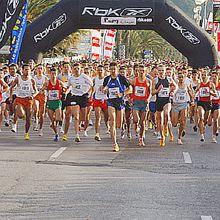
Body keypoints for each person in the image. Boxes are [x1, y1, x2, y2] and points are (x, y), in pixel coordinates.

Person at [102, 62, 132, 152]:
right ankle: (115, 144)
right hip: (111, 101)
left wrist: (122, 94)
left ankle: (123, 125)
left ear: (117, 69)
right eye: (111, 69)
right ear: (109, 70)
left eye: (114, 69)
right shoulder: (107, 79)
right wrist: (104, 90)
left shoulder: (122, 78)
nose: (113, 71)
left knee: (119, 124)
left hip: (120, 102)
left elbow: (130, 89)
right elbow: (104, 87)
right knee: (112, 122)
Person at [62, 63, 93, 142]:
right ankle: (77, 135)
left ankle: (81, 124)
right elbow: (68, 86)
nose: (76, 70)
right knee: (76, 116)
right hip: (75, 97)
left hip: (83, 97)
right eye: (75, 69)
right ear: (72, 69)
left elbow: (92, 86)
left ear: (80, 69)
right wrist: (65, 91)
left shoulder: (84, 77)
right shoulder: (71, 78)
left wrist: (89, 94)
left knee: (84, 116)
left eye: (78, 68)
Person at [10, 64, 38, 140]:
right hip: (20, 99)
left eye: (28, 70)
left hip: (28, 100)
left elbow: (36, 91)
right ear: (22, 70)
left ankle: (26, 133)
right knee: (20, 114)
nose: (27, 71)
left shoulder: (32, 80)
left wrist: (33, 96)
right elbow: (11, 87)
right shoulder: (18, 78)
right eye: (25, 69)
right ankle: (16, 122)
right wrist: (10, 96)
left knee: (28, 119)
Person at [152, 65, 176, 147]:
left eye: (163, 70)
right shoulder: (155, 80)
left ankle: (168, 131)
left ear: (165, 71)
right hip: (159, 101)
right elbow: (152, 92)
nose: (161, 72)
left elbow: (175, 87)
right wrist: (158, 90)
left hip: (167, 100)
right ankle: (162, 137)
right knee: (160, 120)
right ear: (157, 71)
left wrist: (172, 91)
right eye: (160, 70)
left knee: (166, 114)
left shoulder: (169, 79)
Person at [42, 67, 64, 141]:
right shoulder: (47, 82)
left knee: (58, 118)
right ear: (49, 74)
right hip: (50, 103)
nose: (53, 75)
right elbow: (42, 89)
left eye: (55, 74)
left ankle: (55, 123)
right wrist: (43, 90)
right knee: (52, 121)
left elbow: (65, 88)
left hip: (57, 102)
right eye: (52, 74)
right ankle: (56, 134)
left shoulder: (59, 82)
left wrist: (63, 91)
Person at [130, 64, 151, 146]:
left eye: (143, 71)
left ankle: (141, 138)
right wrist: (130, 97)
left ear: (145, 72)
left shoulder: (149, 81)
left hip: (144, 103)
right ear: (137, 71)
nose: (141, 72)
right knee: (136, 119)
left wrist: (148, 99)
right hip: (136, 102)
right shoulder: (134, 80)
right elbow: (129, 89)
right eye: (140, 71)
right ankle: (136, 126)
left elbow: (150, 92)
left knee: (142, 122)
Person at [171, 72, 194, 145]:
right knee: (174, 124)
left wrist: (192, 100)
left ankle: (179, 138)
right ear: (177, 78)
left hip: (184, 104)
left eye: (182, 77)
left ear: (184, 78)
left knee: (183, 121)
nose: (181, 78)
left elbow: (190, 93)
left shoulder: (186, 85)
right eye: (179, 77)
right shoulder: (175, 85)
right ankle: (179, 125)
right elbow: (170, 92)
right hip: (176, 105)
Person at [196, 69, 217, 142]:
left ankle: (202, 127)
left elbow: (215, 94)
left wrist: (210, 92)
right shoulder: (199, 84)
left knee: (205, 120)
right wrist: (194, 93)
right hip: (201, 102)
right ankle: (202, 135)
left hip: (208, 103)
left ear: (207, 76)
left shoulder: (211, 84)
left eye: (205, 75)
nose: (203, 76)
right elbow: (195, 92)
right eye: (202, 75)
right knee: (201, 117)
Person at [92, 65, 109, 141]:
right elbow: (92, 88)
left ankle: (108, 126)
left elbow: (110, 88)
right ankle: (97, 134)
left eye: (101, 70)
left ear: (104, 71)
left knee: (106, 117)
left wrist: (105, 89)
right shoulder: (94, 79)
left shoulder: (107, 79)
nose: (100, 72)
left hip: (105, 99)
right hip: (97, 99)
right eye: (98, 70)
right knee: (97, 117)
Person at [33, 64, 47, 136]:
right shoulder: (33, 78)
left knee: (41, 114)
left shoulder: (45, 78)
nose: (39, 70)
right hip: (36, 96)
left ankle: (41, 129)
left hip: (43, 96)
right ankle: (36, 121)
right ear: (36, 70)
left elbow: (48, 87)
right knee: (36, 108)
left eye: (41, 68)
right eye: (38, 68)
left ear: (43, 70)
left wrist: (44, 89)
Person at [208, 71, 220, 143]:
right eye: (213, 76)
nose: (214, 78)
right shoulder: (209, 85)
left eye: (215, 76)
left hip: (217, 104)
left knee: (215, 120)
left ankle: (213, 137)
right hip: (209, 104)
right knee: (209, 123)